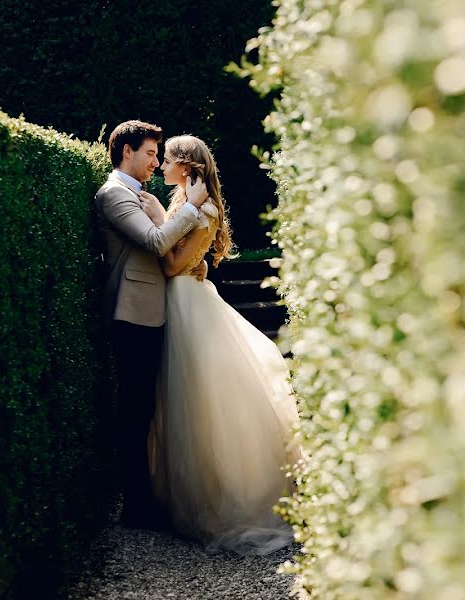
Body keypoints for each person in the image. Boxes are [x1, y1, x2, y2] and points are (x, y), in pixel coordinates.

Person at [144, 134, 303, 556]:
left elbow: (176, 264)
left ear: (187, 166)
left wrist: (162, 225)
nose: (161, 165)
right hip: (179, 304)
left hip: (191, 309)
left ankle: (220, 501)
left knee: (201, 401)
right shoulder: (184, 202)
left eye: (169, 160)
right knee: (180, 401)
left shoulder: (205, 209)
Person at [94, 120, 210, 529]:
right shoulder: (113, 194)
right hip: (132, 312)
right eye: (149, 153)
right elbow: (157, 242)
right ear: (126, 151)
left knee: (146, 407)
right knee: (135, 409)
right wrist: (192, 208)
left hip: (150, 310)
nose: (156, 161)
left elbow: (168, 246)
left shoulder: (138, 193)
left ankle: (146, 499)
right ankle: (136, 508)